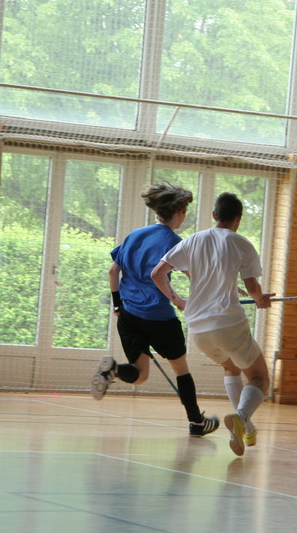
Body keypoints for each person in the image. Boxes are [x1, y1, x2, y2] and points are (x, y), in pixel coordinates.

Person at [91, 182, 219, 437]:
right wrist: (184, 300)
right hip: (159, 318)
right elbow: (195, 277)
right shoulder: (175, 242)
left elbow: (113, 271)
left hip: (128, 315)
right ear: (180, 213)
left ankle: (113, 370)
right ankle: (196, 422)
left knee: (139, 376)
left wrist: (116, 303)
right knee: (181, 369)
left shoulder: (135, 235)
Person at [150, 192, 273, 456]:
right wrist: (261, 300)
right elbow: (253, 287)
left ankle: (246, 427)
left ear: (214, 215)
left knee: (231, 367)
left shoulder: (193, 240)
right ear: (238, 219)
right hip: (228, 324)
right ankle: (241, 417)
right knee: (259, 378)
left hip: (198, 329)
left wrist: (178, 300)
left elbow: (157, 273)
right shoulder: (242, 243)